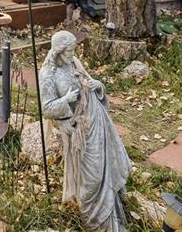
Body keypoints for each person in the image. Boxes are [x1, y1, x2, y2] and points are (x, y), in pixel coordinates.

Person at [39, 31, 131, 231]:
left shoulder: (74, 63)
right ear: (58, 51)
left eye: (74, 50)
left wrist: (99, 87)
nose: (73, 55)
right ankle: (95, 222)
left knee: (106, 166)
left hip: (96, 121)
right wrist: (66, 100)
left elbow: (88, 83)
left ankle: (111, 219)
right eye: (69, 51)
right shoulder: (48, 74)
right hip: (77, 130)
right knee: (91, 178)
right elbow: (46, 108)